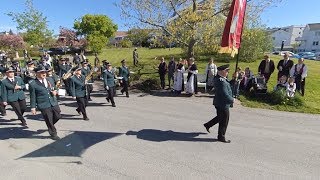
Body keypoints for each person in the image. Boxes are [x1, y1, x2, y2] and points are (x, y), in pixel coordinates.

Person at [29, 66, 62, 140]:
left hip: (53, 102)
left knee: (58, 116)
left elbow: (55, 87)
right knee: (49, 119)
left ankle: (50, 126)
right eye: (42, 72)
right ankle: (53, 133)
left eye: (44, 72)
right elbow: (32, 96)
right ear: (36, 73)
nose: (44, 73)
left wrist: (55, 91)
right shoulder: (33, 83)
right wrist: (33, 107)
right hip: (43, 104)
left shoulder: (49, 79)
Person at [203, 64, 234, 143]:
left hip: (220, 103)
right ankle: (221, 137)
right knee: (224, 120)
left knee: (220, 117)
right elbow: (224, 94)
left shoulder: (221, 79)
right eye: (227, 71)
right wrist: (232, 100)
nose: (227, 72)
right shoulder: (221, 81)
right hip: (222, 104)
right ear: (222, 71)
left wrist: (235, 79)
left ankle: (208, 125)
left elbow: (228, 85)